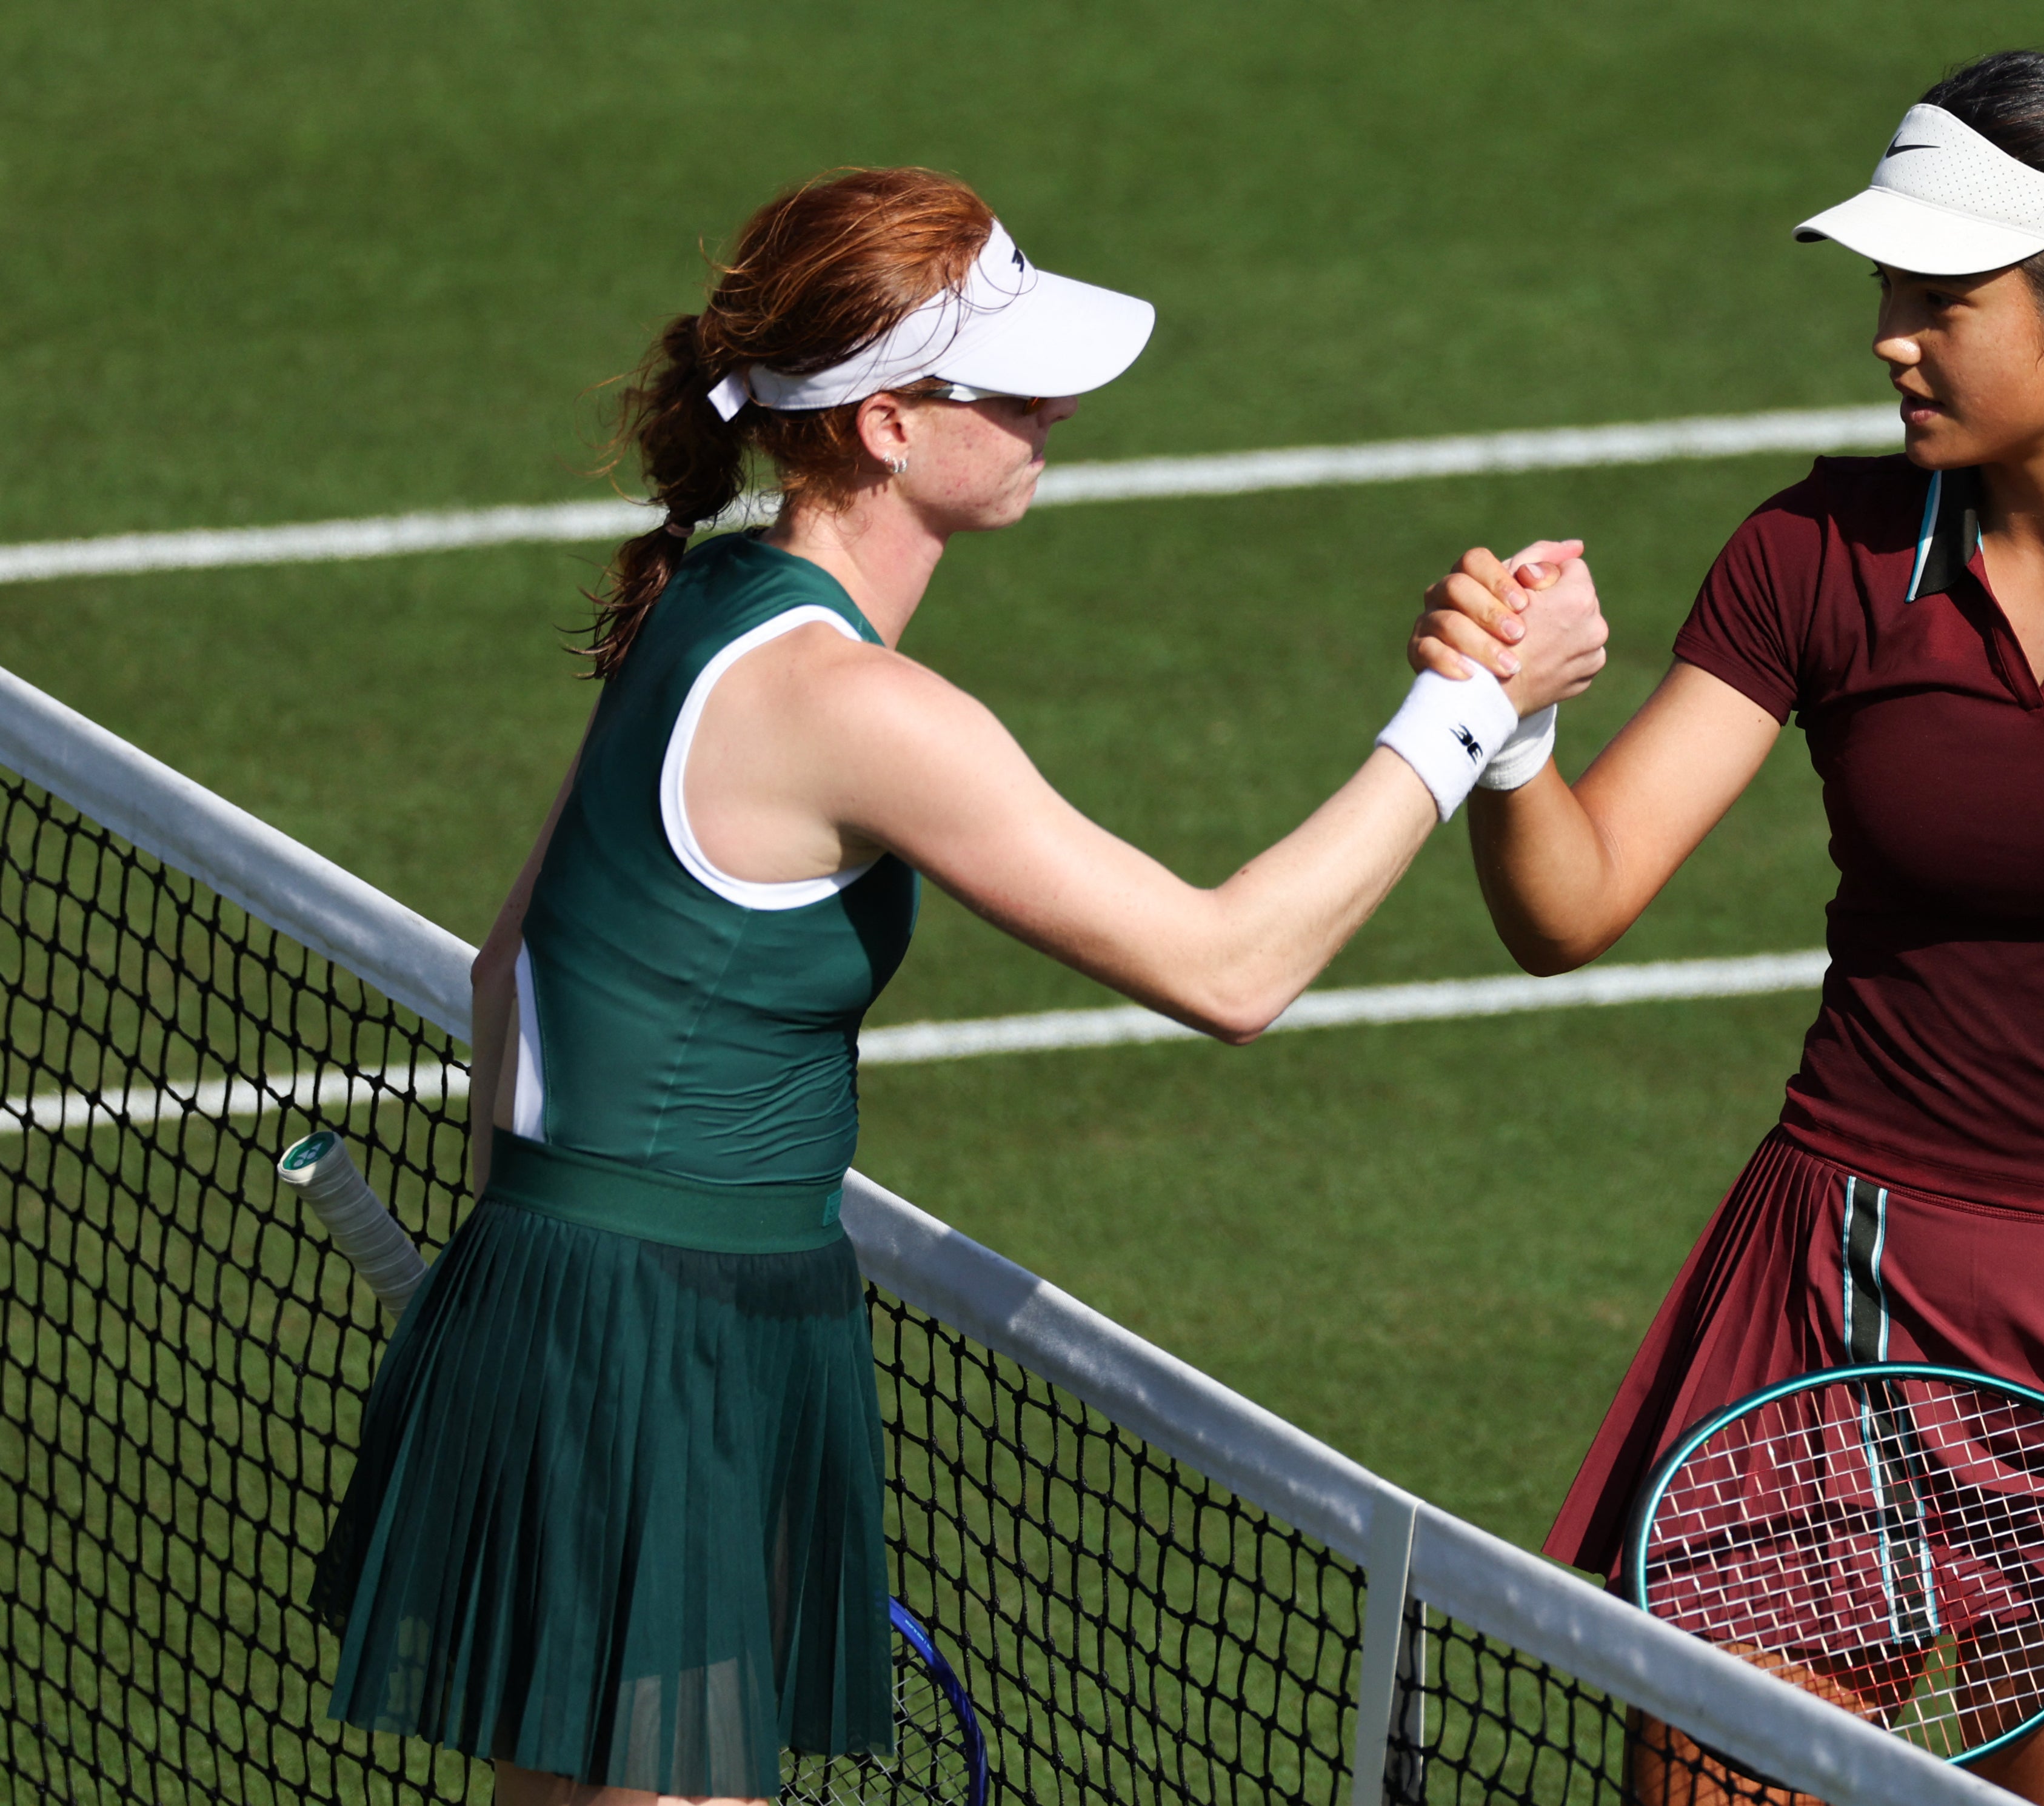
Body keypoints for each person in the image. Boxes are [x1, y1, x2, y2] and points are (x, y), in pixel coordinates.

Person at [307, 166, 1606, 1806]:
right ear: (891, 426)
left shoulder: (699, 601)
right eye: (1010, 382)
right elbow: (1230, 967)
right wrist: (1468, 711)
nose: (1055, 404)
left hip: (590, 1307)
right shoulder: (859, 709)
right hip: (666, 1343)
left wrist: (524, 1284)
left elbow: (510, 973)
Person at [1413, 52, 2044, 1806]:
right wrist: (1508, 735)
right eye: (1886, 290)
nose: (1890, 334)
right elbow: (1572, 906)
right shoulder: (1814, 555)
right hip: (1829, 1314)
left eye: (1939, 296)